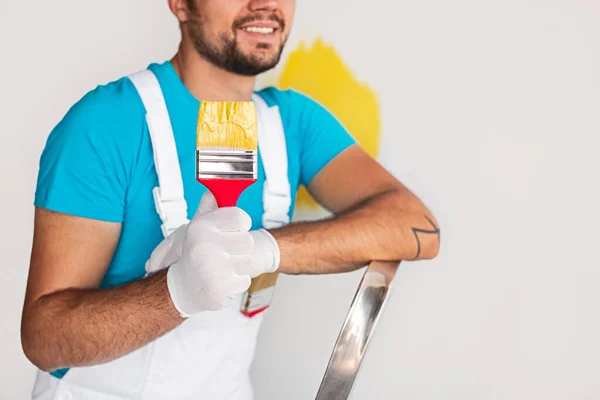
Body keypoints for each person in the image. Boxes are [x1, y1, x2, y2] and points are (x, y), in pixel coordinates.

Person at [20, 0, 441, 399]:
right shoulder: (107, 123)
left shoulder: (291, 124)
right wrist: (177, 292)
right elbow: (44, 338)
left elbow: (413, 224)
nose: (265, 4)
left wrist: (263, 250)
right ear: (180, 3)